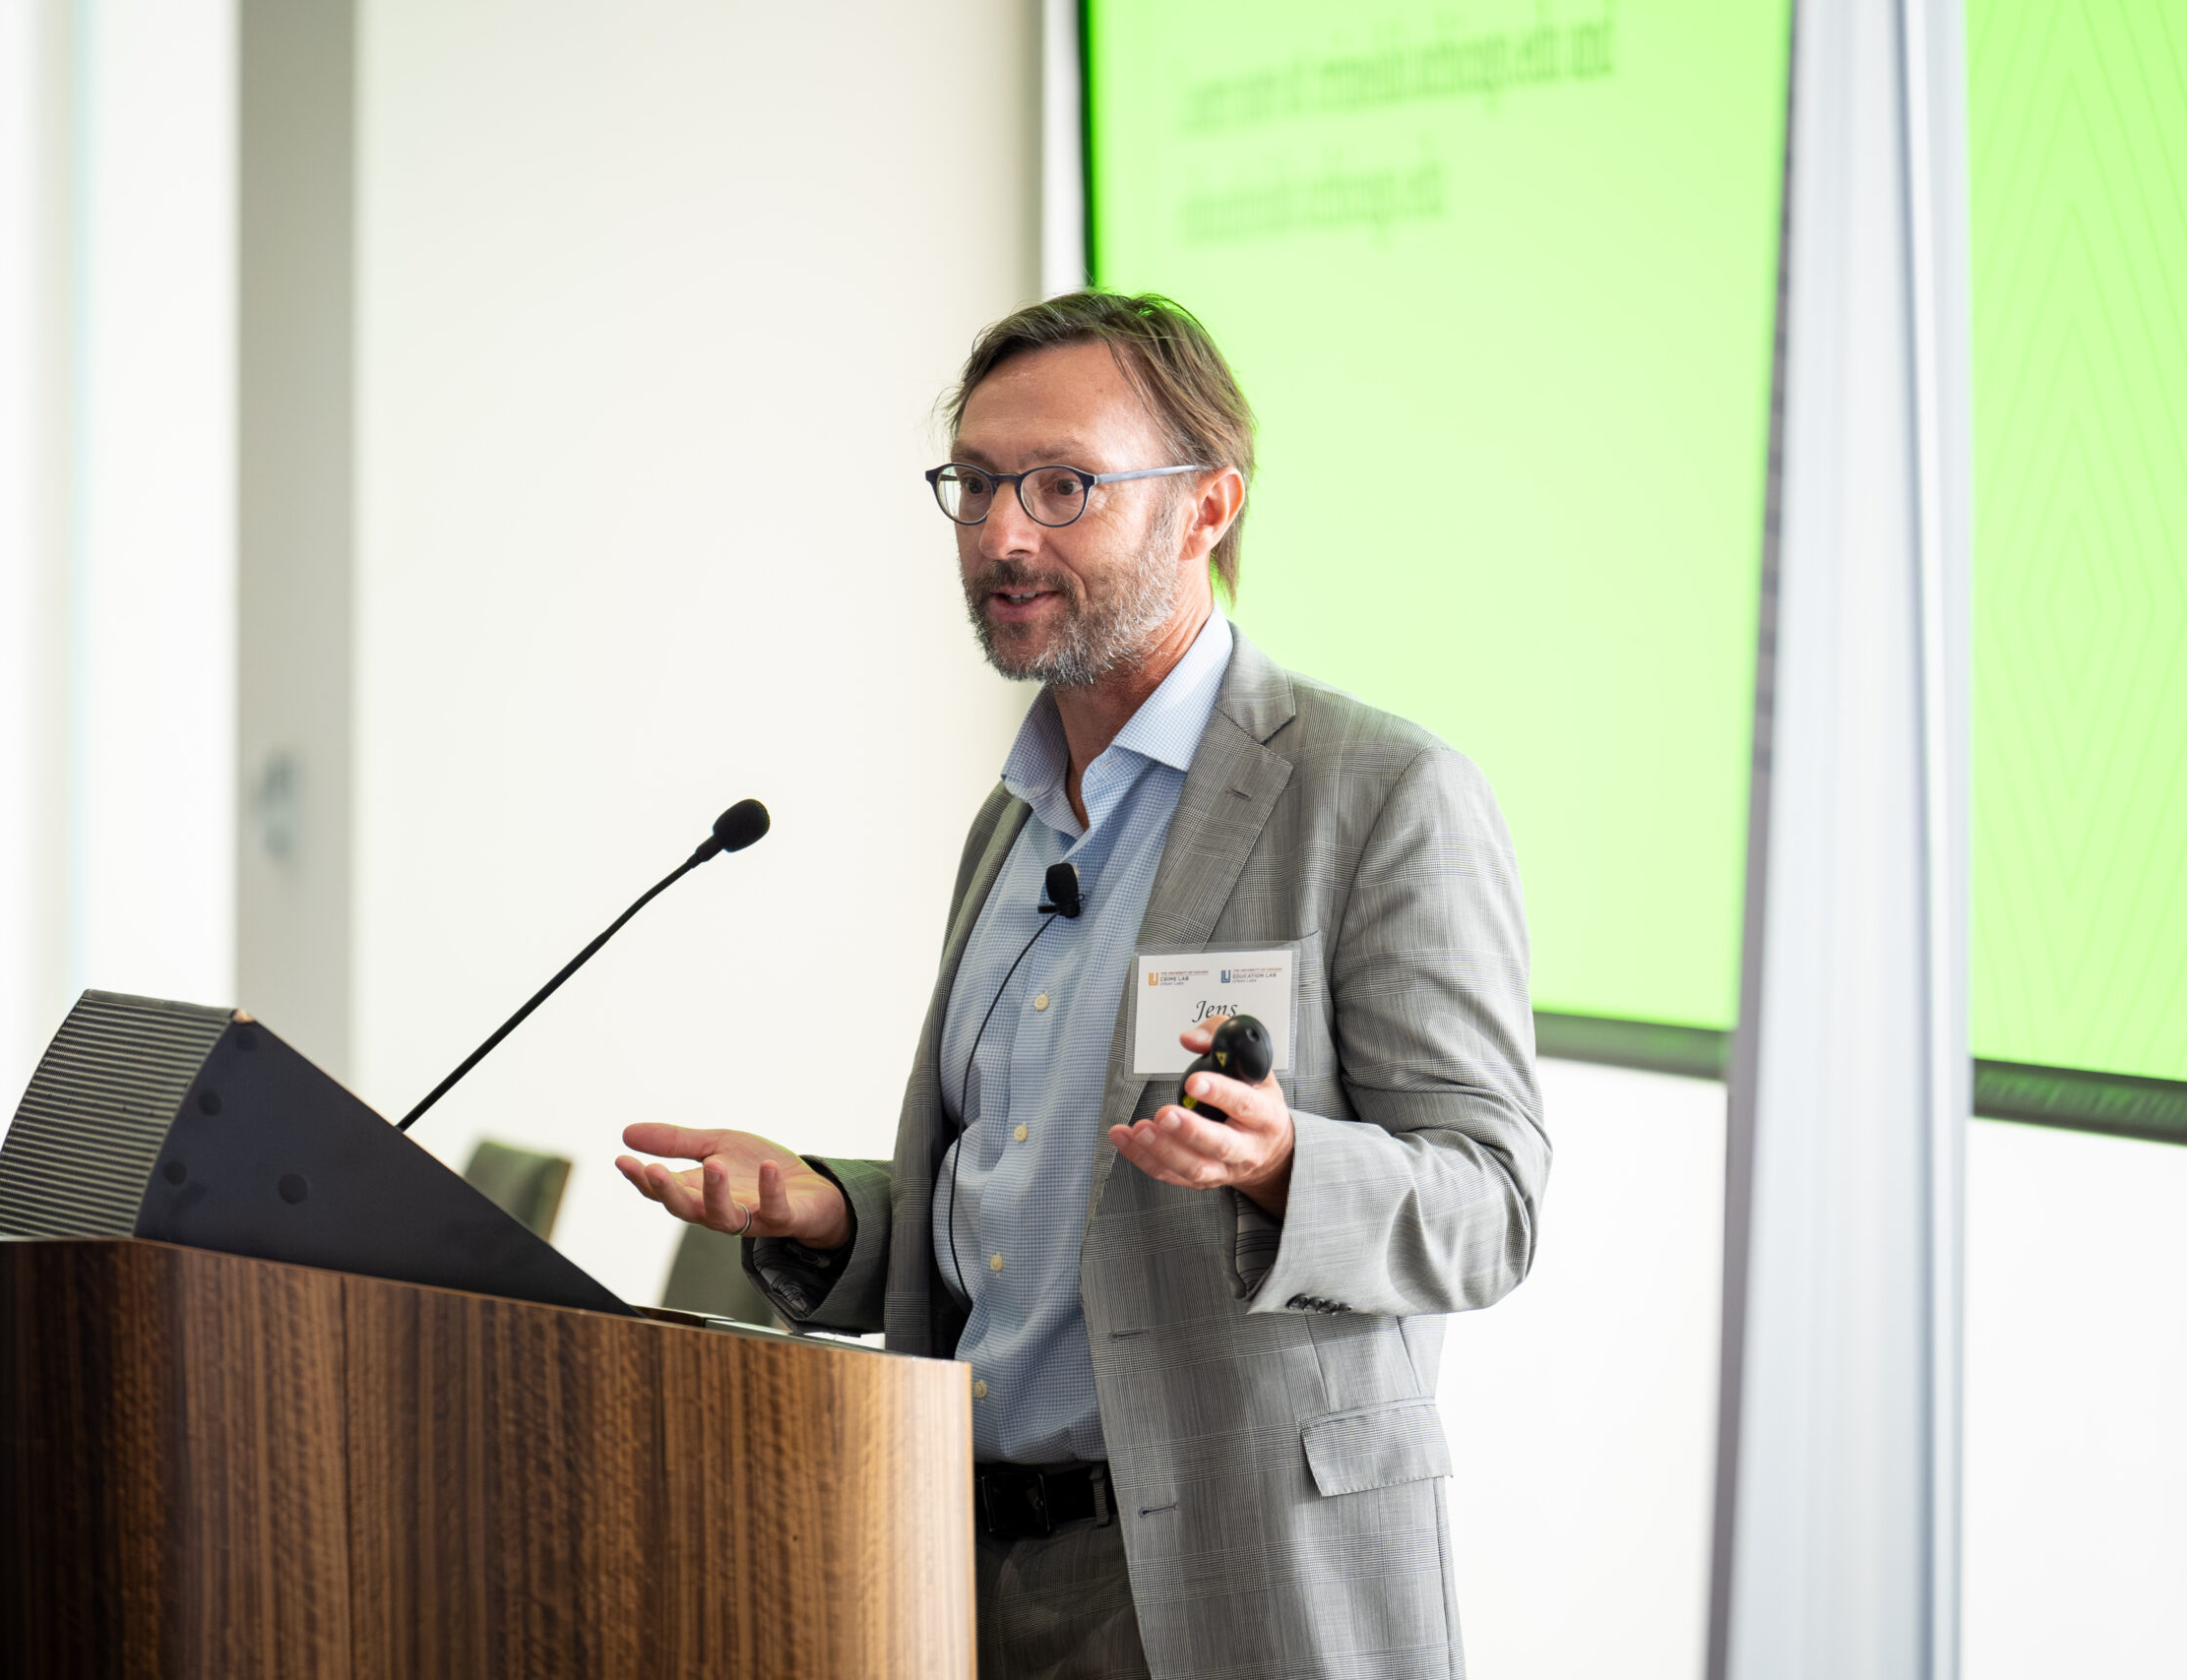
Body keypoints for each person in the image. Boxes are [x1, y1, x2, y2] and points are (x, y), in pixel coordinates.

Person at [615, 290, 1547, 1680]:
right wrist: (833, 1216)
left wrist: (1291, 1166)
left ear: (1207, 507)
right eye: (978, 485)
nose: (1002, 535)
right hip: (965, 1565)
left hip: (1238, 1579)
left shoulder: (1376, 797)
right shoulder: (1011, 821)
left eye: (1063, 486)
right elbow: (1035, 1200)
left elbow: (1493, 1207)